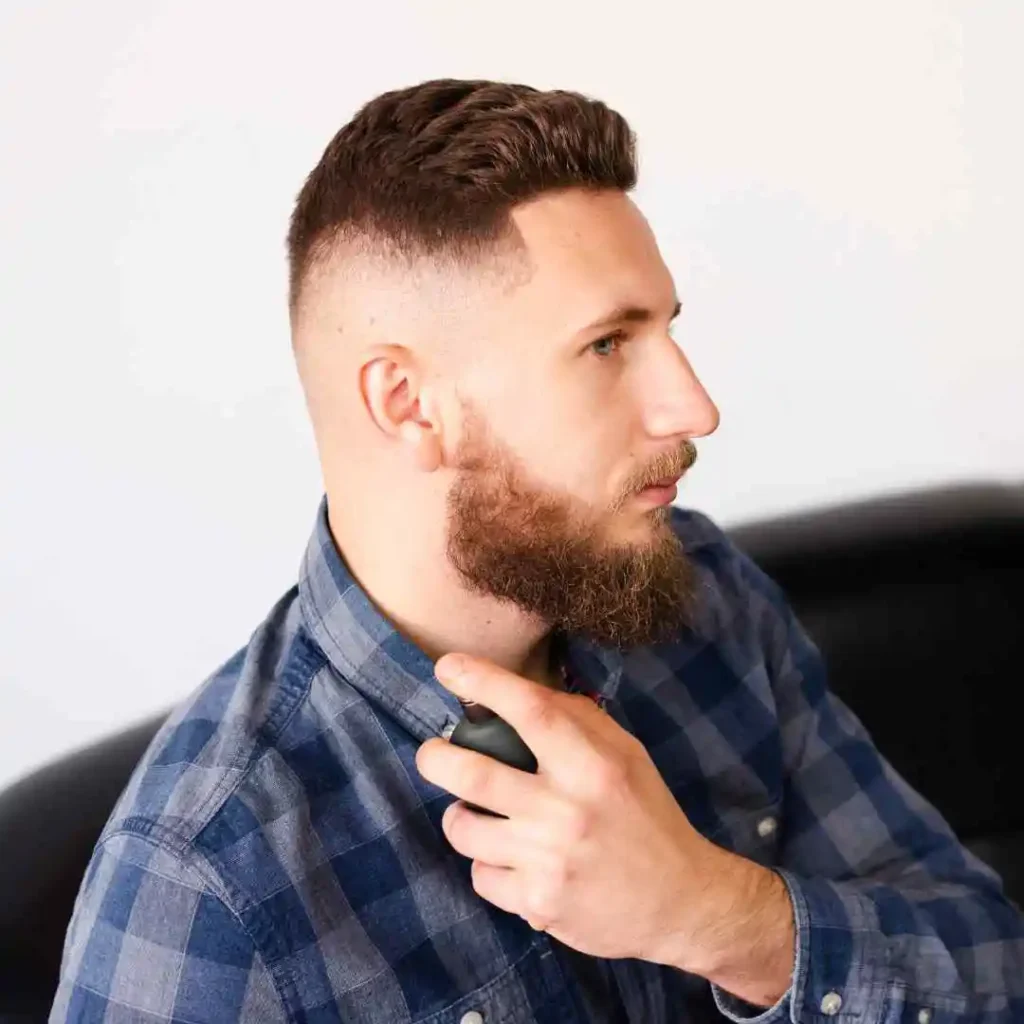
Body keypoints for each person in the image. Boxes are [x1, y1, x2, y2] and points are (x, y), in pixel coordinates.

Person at [50, 78, 1023, 1023]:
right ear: (409, 405)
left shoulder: (705, 596)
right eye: (607, 344)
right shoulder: (205, 878)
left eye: (665, 331)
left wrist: (717, 914)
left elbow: (994, 962)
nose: (693, 407)